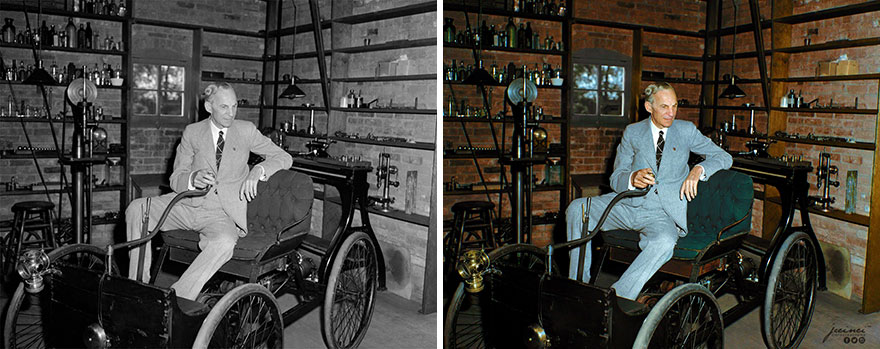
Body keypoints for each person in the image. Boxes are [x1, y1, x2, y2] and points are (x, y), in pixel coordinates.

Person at [125, 82, 293, 300]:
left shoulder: (246, 130)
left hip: (220, 213)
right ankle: (136, 290)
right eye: (224, 107)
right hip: (186, 204)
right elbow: (176, 179)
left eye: (234, 106)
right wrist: (192, 178)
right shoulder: (192, 132)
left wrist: (258, 170)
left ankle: (176, 298)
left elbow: (284, 157)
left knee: (224, 242)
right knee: (137, 209)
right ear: (208, 107)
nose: (230, 113)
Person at [566, 82, 732, 300]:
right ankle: (576, 289)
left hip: (660, 213)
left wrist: (699, 170)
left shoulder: (686, 131)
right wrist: (632, 178)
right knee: (578, 209)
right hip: (626, 204)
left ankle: (616, 298)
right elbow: (616, 178)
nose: (671, 113)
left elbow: (724, 157)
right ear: (649, 107)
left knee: (664, 242)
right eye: (664, 107)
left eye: (674, 106)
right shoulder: (632, 132)